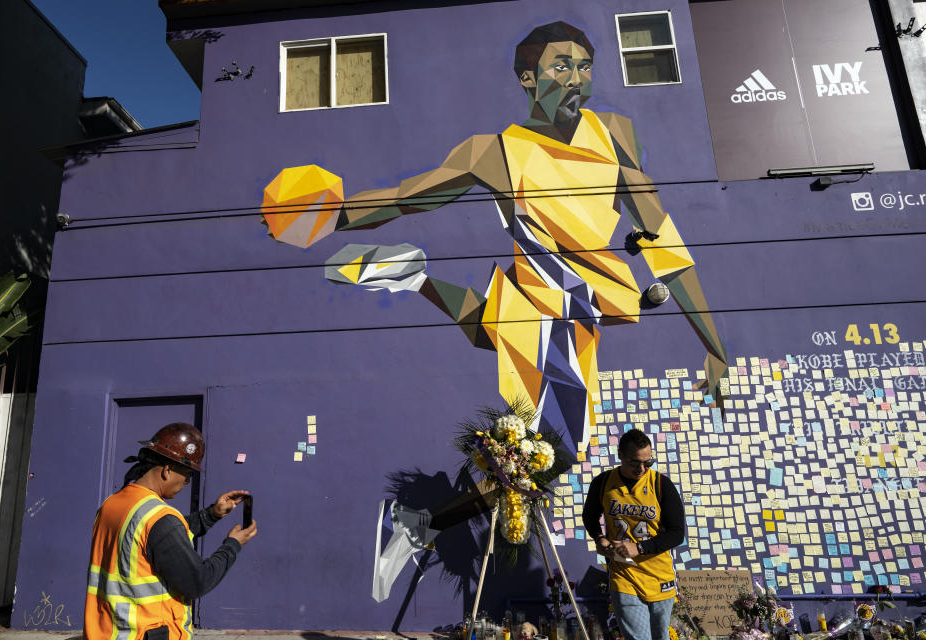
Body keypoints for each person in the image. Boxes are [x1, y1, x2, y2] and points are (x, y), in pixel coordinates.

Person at [262, 20, 727, 455]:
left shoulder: (614, 133)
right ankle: (427, 527)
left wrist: (713, 346)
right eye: (560, 66)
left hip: (593, 293)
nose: (576, 79)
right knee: (549, 449)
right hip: (537, 293)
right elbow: (407, 198)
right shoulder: (494, 151)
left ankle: (413, 277)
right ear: (527, 78)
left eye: (584, 66)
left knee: (543, 437)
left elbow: (663, 241)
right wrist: (330, 216)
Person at [84, 423, 258, 640]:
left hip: (106, 632)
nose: (186, 482)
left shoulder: (112, 504)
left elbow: (157, 540)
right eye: (187, 474)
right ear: (167, 470)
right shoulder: (160, 518)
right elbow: (198, 581)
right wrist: (233, 544)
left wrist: (212, 513)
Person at [582, 428, 685, 640]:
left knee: (661, 637)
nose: (641, 468)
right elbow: (590, 516)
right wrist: (599, 537)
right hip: (624, 573)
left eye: (648, 463)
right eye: (634, 462)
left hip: (659, 574)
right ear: (620, 455)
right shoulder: (603, 483)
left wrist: (639, 548)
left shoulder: (661, 484)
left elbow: (676, 534)